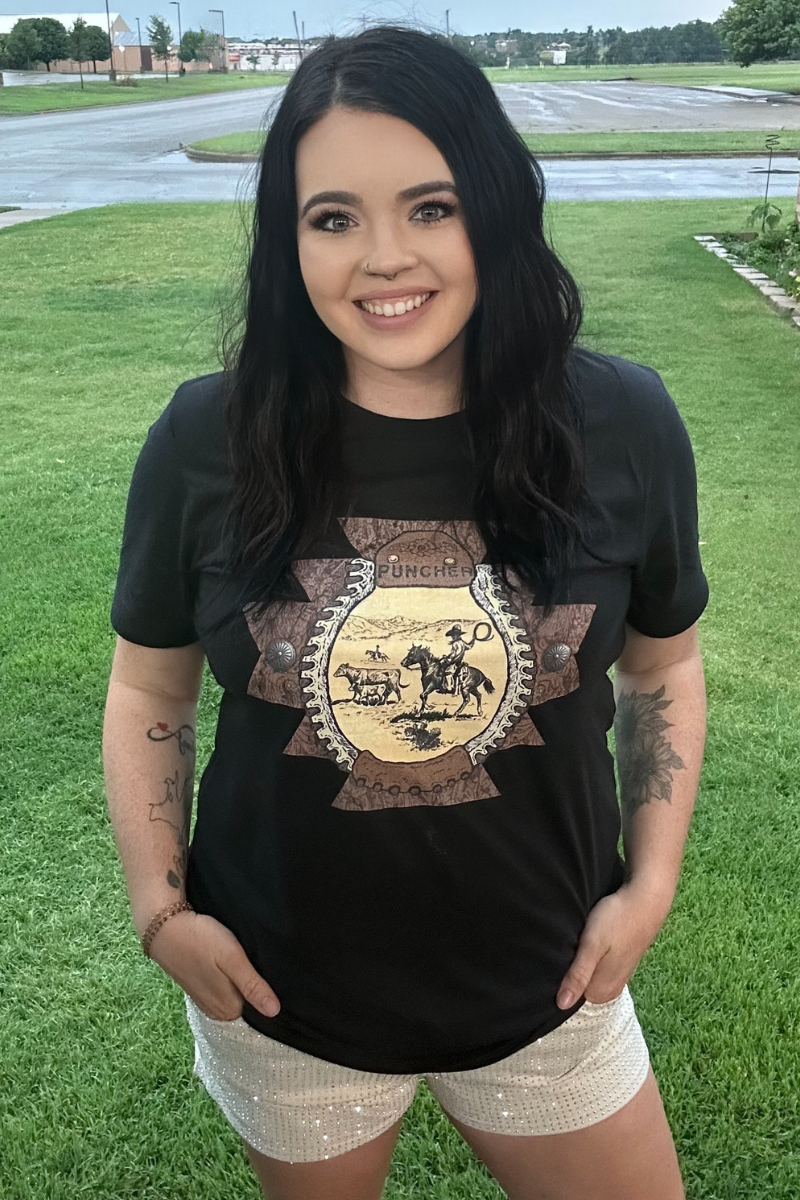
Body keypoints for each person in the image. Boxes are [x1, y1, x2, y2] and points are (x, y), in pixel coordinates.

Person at [103, 25, 708, 1200]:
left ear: (495, 206)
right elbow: (147, 687)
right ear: (288, 241)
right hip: (282, 1002)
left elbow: (661, 668)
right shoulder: (206, 439)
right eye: (332, 218)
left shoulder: (621, 423)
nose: (383, 258)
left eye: (430, 207)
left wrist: (650, 884)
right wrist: (159, 909)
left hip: (551, 987)